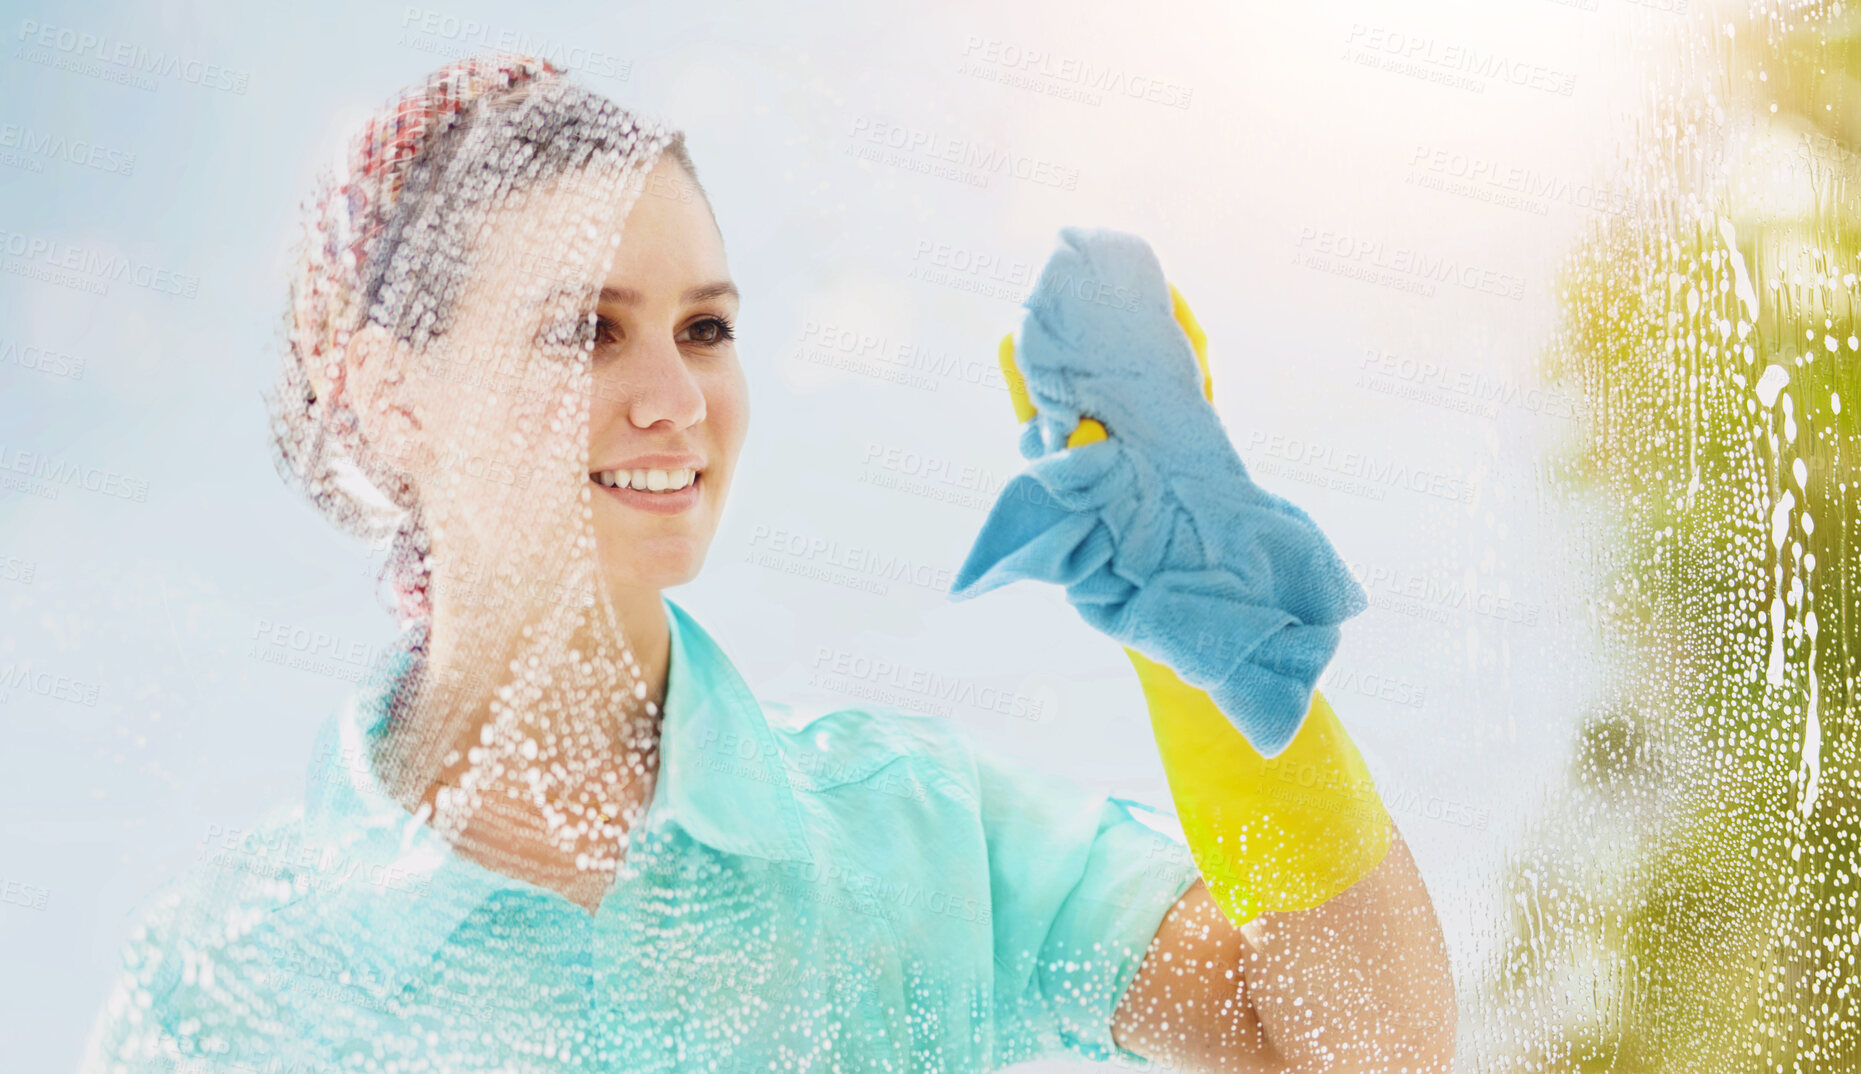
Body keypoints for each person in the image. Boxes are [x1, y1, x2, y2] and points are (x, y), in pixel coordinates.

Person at [80, 54, 1454, 1073]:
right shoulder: (226, 988)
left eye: (705, 328)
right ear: (393, 399)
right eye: (587, 330)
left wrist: (1203, 654)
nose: (675, 396)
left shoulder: (901, 839)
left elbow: (1352, 1047)